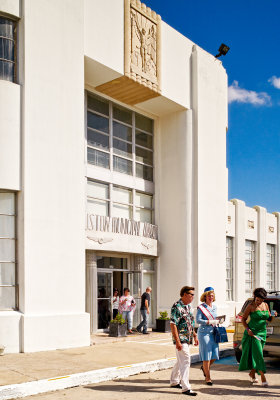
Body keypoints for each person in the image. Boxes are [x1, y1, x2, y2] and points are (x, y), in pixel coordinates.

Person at [239, 287, 277, 386]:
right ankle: (263, 377)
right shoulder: (250, 306)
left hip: (263, 333)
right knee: (259, 355)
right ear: (254, 297)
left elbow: (269, 319)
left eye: (261, 300)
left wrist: (273, 314)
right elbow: (243, 319)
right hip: (253, 334)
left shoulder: (265, 305)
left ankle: (252, 373)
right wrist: (248, 330)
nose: (258, 302)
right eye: (257, 300)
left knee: (256, 355)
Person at [170, 286, 199, 396]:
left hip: (188, 338)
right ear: (185, 294)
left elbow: (190, 322)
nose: (193, 297)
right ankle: (186, 387)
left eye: (193, 295)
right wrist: (177, 341)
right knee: (186, 360)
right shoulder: (177, 307)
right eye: (191, 294)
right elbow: (173, 324)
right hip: (181, 339)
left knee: (180, 360)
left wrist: (195, 335)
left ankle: (174, 381)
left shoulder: (188, 307)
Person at [196, 286, 220, 386]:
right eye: (209, 295)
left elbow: (215, 318)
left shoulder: (215, 307)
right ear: (205, 296)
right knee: (206, 355)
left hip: (213, 333)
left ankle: (204, 368)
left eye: (212, 295)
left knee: (215, 354)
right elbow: (198, 320)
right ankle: (208, 377)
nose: (211, 297)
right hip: (204, 333)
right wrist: (209, 321)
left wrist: (219, 321)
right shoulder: (201, 307)